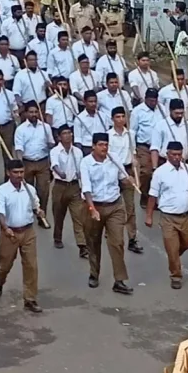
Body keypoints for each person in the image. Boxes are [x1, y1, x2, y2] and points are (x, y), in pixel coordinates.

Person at [79, 132, 135, 294]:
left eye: (106, 145)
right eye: (101, 145)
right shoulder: (86, 163)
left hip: (115, 206)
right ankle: (94, 273)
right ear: (93, 146)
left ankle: (119, 280)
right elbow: (87, 189)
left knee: (117, 242)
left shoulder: (114, 159)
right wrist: (92, 209)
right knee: (93, 242)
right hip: (94, 206)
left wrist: (129, 179)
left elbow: (122, 177)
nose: (104, 148)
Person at [146, 141, 188, 289]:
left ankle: (175, 256)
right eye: (174, 155)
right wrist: (149, 215)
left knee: (187, 243)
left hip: (187, 215)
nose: (177, 157)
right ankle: (176, 274)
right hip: (168, 217)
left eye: (179, 154)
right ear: (167, 155)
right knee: (171, 247)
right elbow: (152, 195)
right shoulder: (160, 173)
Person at [0, 159, 42, 312]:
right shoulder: (1, 191)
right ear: (8, 173)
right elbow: (0, 212)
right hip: (10, 233)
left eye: (21, 172)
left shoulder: (30, 190)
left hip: (28, 231)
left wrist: (39, 212)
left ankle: (30, 299)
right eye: (16, 172)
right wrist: (5, 227)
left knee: (31, 266)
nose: (19, 175)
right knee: (5, 264)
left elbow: (35, 206)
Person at [107, 105, 142, 254]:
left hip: (128, 171)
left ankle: (132, 238)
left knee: (130, 208)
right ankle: (110, 232)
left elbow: (133, 153)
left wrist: (136, 173)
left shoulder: (131, 134)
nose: (121, 120)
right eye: (117, 117)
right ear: (112, 119)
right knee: (111, 204)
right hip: (113, 172)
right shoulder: (108, 135)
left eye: (123, 117)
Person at [49, 124, 88, 255]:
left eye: (69, 133)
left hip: (74, 187)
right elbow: (54, 165)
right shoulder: (55, 151)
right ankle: (57, 237)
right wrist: (60, 173)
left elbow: (82, 168)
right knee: (58, 214)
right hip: (60, 186)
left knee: (78, 216)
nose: (68, 135)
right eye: (64, 133)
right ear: (59, 137)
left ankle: (82, 245)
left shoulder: (78, 152)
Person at [13, 102, 54, 216]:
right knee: (27, 191)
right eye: (31, 112)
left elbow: (51, 144)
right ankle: (28, 214)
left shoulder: (46, 127)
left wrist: (50, 144)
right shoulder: (21, 129)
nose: (34, 114)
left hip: (43, 162)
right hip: (27, 163)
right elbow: (19, 148)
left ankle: (42, 215)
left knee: (43, 191)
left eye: (36, 112)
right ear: (26, 113)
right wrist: (20, 165)